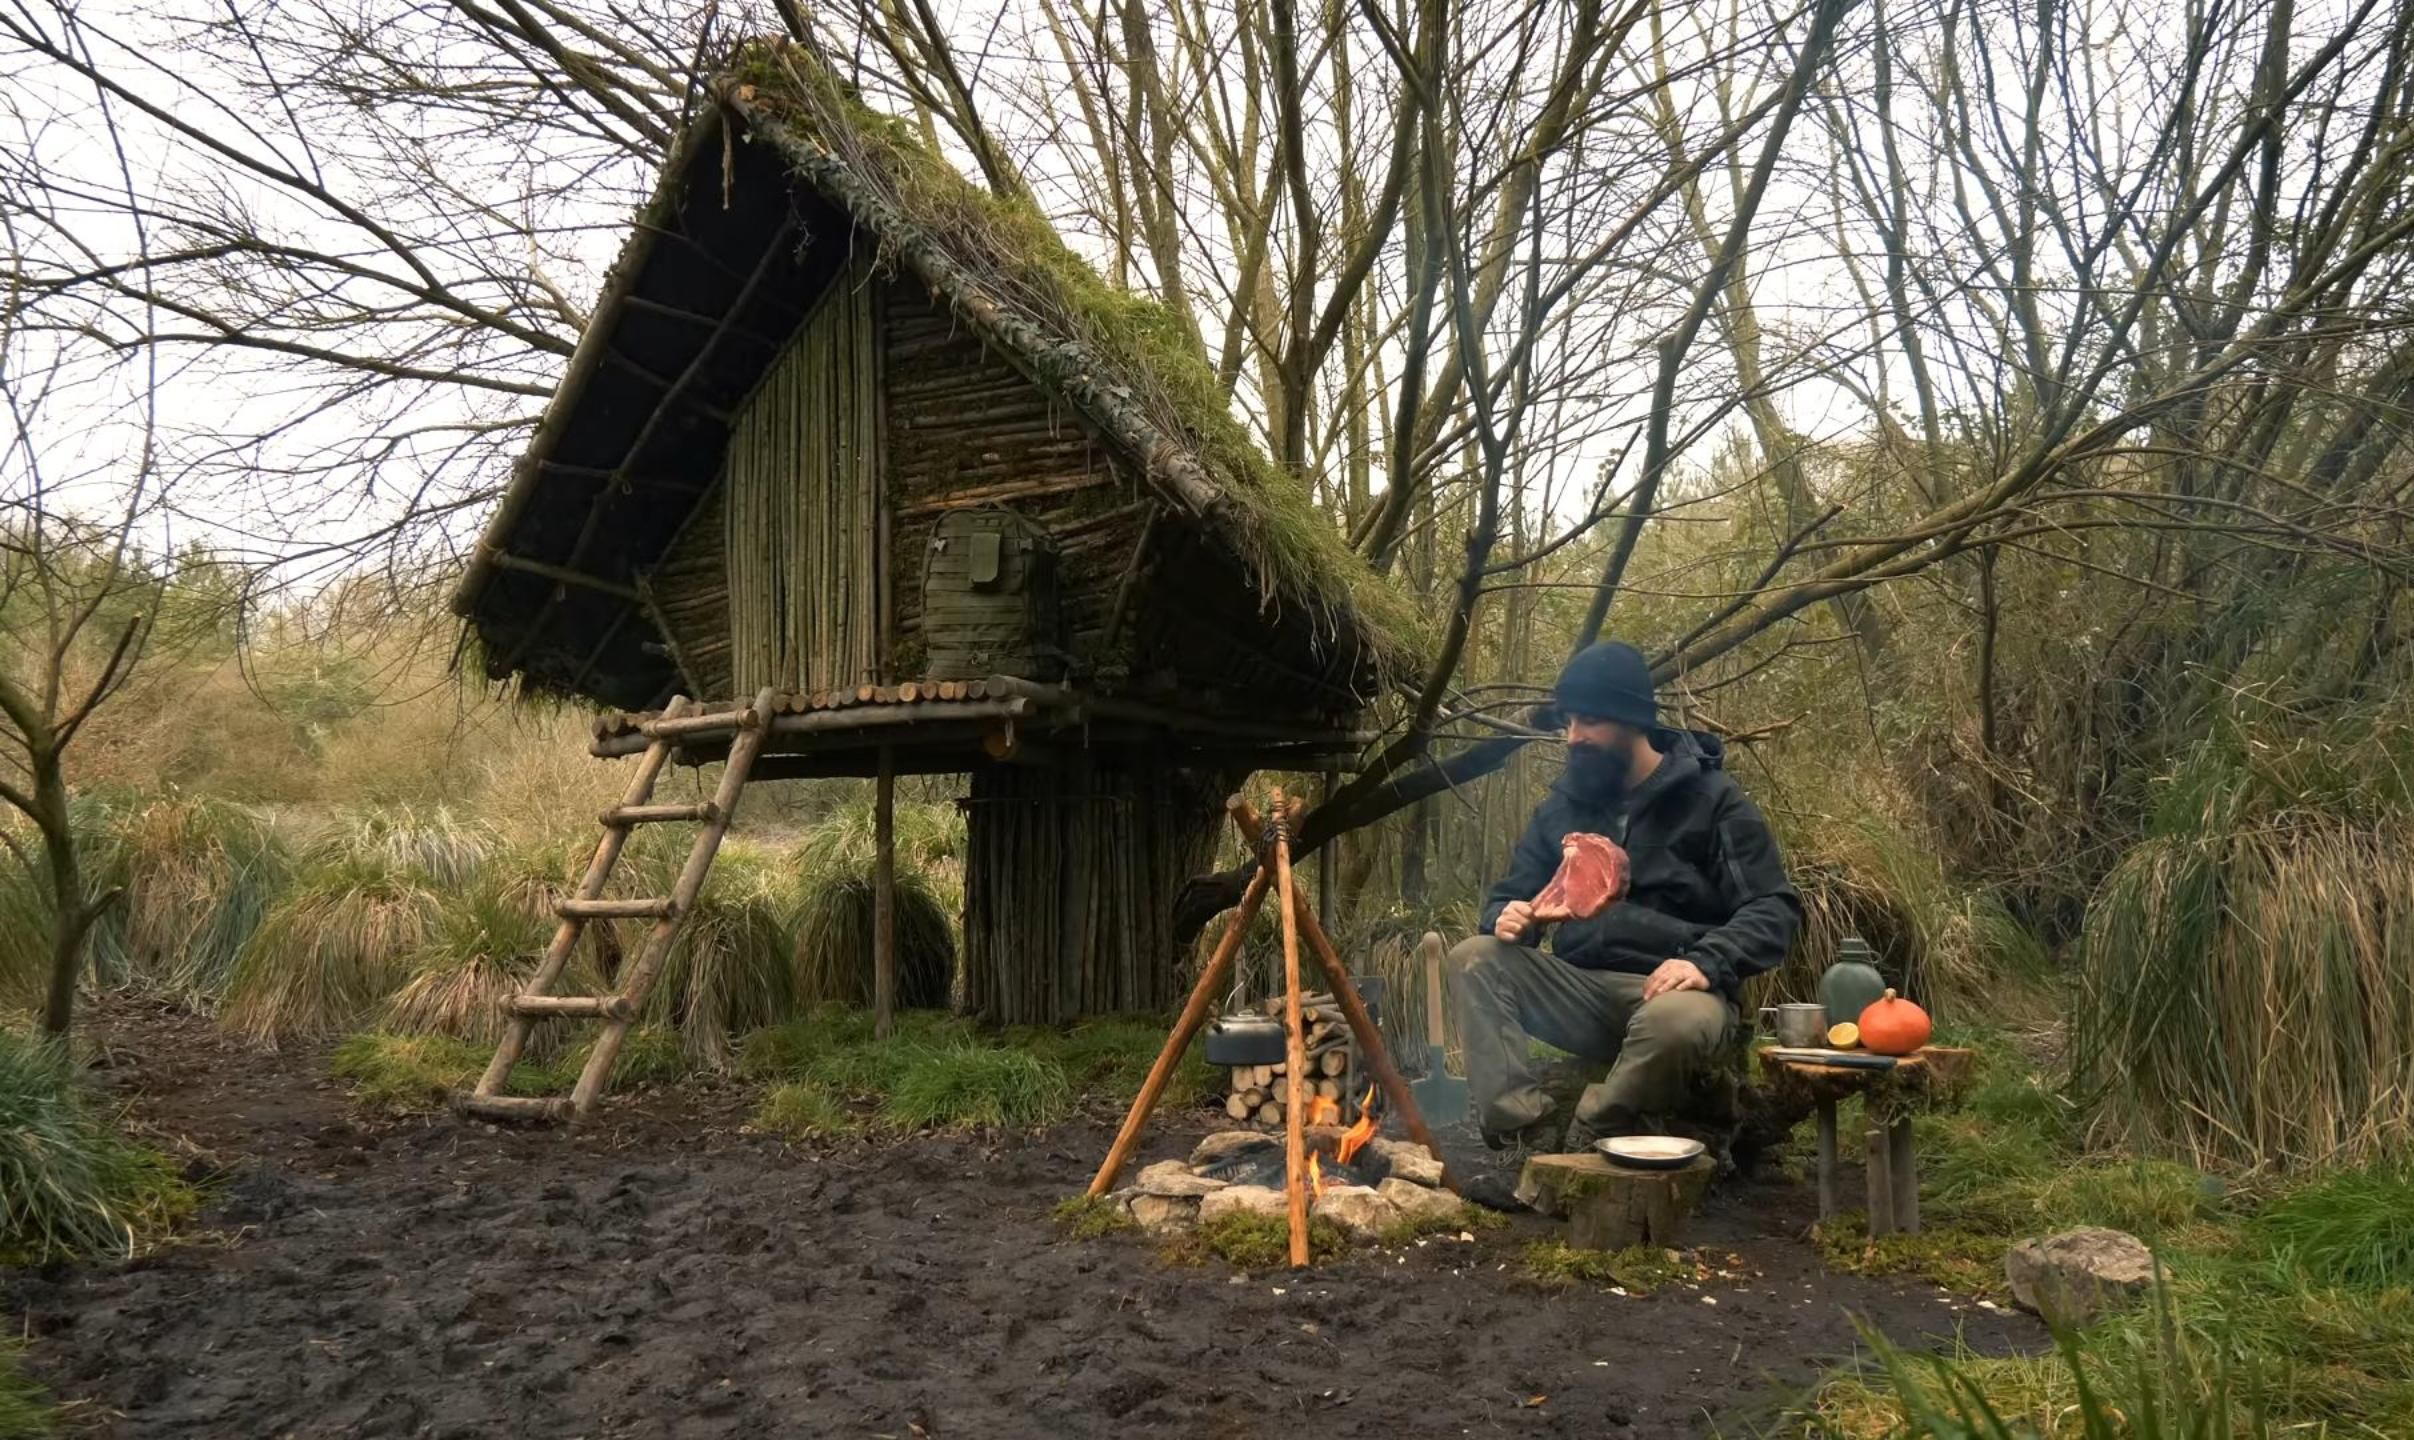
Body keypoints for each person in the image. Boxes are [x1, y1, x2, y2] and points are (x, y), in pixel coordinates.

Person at [1449, 640, 1801, 1155]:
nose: (1573, 738)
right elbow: (1509, 894)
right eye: (1568, 723)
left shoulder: (1713, 800)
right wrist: (1506, 916)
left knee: (1674, 1020)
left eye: (1588, 722)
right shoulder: (1564, 806)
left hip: (1679, 995)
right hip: (1582, 992)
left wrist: (1708, 962)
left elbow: (1773, 908)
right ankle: (1525, 1129)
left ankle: (1596, 1129)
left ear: (1631, 720)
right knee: (1474, 960)